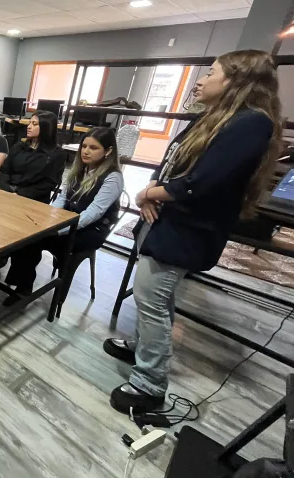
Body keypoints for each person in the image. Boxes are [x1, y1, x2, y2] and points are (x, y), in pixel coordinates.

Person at [105, 50, 281, 413]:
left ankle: (149, 384)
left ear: (236, 80)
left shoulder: (251, 123)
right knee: (154, 298)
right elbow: (172, 162)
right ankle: (140, 347)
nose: (200, 80)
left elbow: (200, 183)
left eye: (211, 72)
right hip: (165, 220)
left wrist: (148, 193)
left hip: (186, 230)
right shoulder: (214, 117)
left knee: (153, 299)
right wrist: (153, 189)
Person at [4, 127, 124, 307]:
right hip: (69, 220)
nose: (86, 151)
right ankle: (22, 283)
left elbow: (93, 213)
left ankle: (25, 289)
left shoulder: (113, 177)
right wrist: (48, 218)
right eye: (84, 146)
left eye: (93, 148)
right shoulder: (80, 169)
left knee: (33, 239)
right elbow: (62, 199)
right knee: (26, 232)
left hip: (91, 230)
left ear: (108, 151)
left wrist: (58, 229)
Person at [0, 110, 65, 203]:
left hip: (32, 198)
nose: (29, 127)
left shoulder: (57, 154)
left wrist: (19, 194)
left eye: (34, 124)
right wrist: (5, 189)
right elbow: (4, 170)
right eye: (29, 123)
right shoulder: (19, 146)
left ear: (46, 128)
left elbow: (48, 184)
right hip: (7, 192)